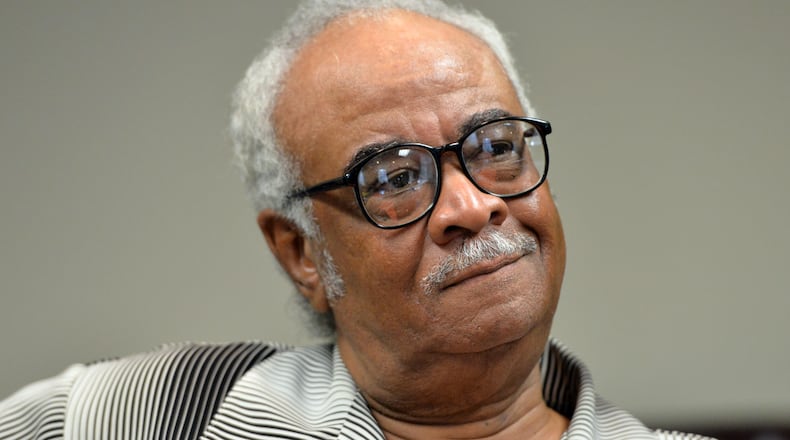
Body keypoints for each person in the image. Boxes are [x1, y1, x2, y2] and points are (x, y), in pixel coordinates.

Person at [0, 1, 710, 439]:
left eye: (495, 148)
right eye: (396, 177)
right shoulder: (148, 415)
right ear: (301, 252)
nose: (472, 206)